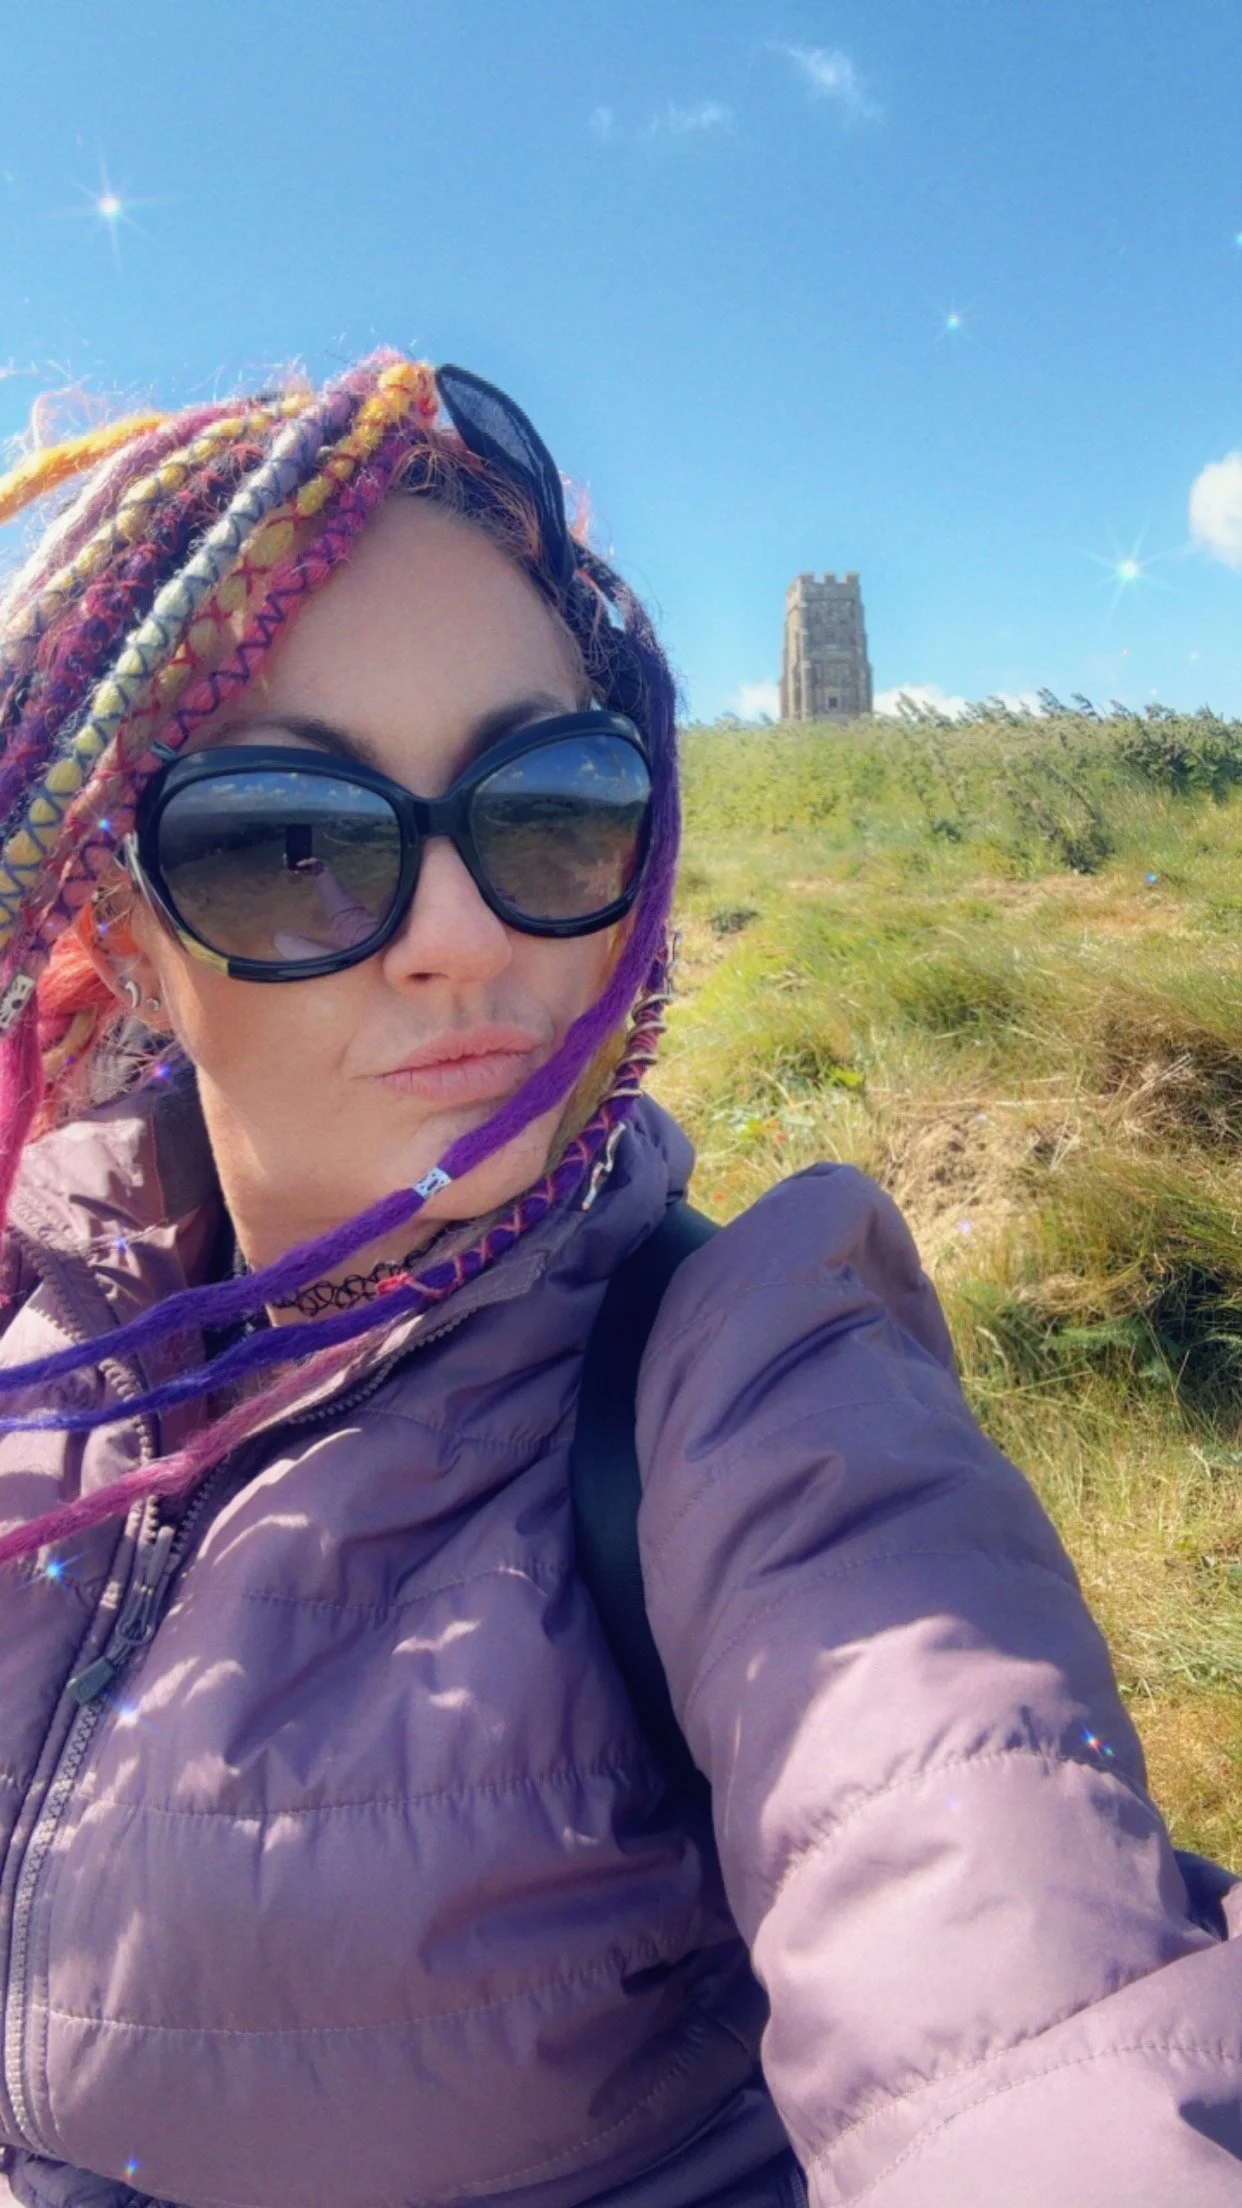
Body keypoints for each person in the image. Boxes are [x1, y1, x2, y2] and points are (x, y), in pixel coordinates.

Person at [0, 354, 1236, 2208]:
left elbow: (1023, 2013)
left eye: (549, 802)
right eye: (283, 838)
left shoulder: (744, 1384)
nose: (459, 932)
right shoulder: (32, 1352)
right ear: (124, 931)